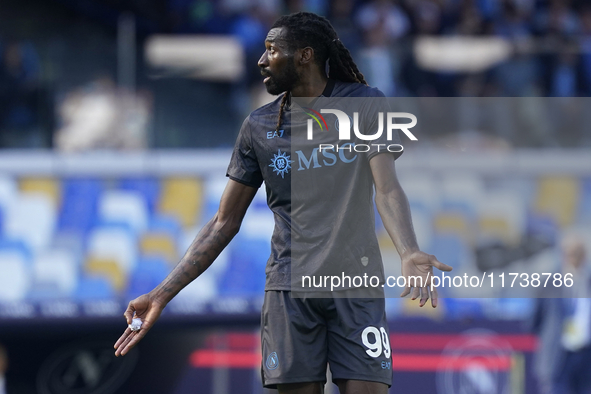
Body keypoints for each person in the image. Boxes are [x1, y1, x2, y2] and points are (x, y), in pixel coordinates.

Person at [114, 12, 451, 394]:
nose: (261, 60)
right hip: (289, 292)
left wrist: (408, 250)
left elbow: (386, 188)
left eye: (272, 50)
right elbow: (223, 223)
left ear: (305, 56)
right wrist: (161, 294)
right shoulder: (258, 127)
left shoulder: (364, 104)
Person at [532, 230, 591, 394]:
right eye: (571, 253)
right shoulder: (548, 285)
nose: (575, 258)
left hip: (586, 356)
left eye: (578, 253)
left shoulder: (588, 283)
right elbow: (536, 321)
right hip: (558, 356)